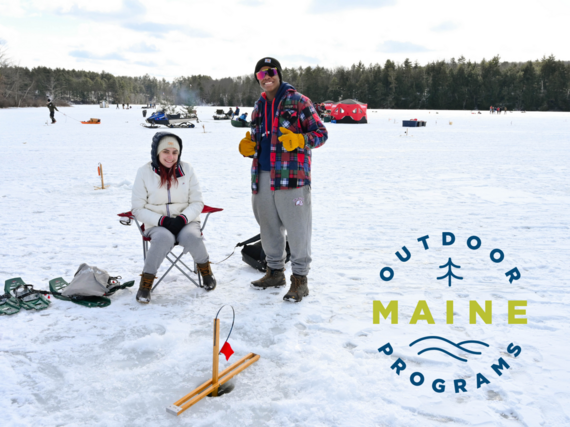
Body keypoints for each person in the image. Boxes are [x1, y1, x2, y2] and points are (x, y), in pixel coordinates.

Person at [238, 57, 328, 302]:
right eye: (260, 75)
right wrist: (249, 148)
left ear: (279, 73)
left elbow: (321, 133)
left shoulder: (299, 101)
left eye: (270, 72)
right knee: (268, 228)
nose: (266, 77)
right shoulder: (258, 107)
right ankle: (275, 272)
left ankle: (300, 280)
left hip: (292, 178)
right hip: (262, 176)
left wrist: (300, 140)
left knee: (298, 230)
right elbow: (256, 140)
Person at [131, 132, 217, 303]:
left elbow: (197, 202)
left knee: (193, 237)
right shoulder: (144, 172)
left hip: (186, 221)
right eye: (166, 151)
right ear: (157, 152)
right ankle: (146, 284)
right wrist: (162, 220)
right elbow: (137, 208)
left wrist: (183, 219)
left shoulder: (187, 170)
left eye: (175, 152)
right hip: (157, 223)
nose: (170, 157)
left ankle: (205, 271)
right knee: (163, 238)